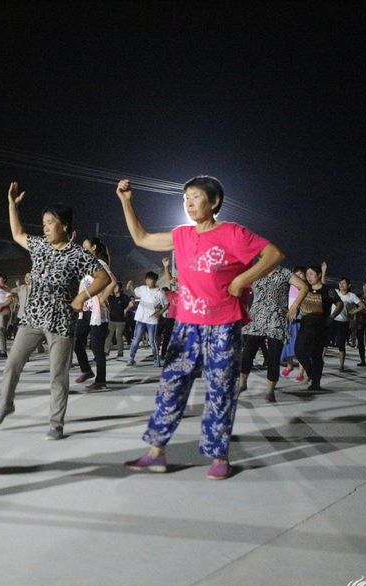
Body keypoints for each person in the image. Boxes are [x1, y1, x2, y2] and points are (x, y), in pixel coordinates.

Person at [117, 176, 283, 479]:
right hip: (186, 326)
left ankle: (219, 455)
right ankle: (156, 453)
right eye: (186, 199)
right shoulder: (181, 234)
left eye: (195, 197)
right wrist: (127, 202)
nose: (189, 204)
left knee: (220, 390)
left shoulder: (232, 233)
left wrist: (242, 279)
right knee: (171, 387)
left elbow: (273, 255)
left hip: (223, 324)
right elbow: (141, 238)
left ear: (215, 202)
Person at [0, 183, 108, 439]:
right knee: (12, 364)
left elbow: (103, 277)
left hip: (62, 322)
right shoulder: (40, 245)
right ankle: (5, 404)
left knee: (58, 375)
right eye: (43, 222)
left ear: (64, 225)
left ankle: (56, 424)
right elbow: (17, 233)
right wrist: (12, 205)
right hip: (31, 318)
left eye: (50, 222)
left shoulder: (78, 253)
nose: (44, 227)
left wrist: (82, 296)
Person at [239, 263, 308, 402]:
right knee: (247, 353)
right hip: (257, 319)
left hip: (277, 319)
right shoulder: (256, 271)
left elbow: (304, 287)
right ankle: (242, 384)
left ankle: (270, 392)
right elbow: (243, 287)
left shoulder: (285, 273)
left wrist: (295, 306)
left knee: (273, 357)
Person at [74, 237, 115, 390]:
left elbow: (113, 282)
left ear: (94, 247)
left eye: (86, 247)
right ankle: (86, 370)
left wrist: (103, 298)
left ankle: (101, 380)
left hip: (97, 312)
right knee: (76, 341)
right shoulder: (86, 266)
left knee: (97, 348)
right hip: (85, 310)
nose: (83, 250)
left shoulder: (100, 264)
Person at [293, 266, 343, 391]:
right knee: (299, 351)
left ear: (319, 275)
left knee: (315, 354)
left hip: (320, 327)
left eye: (311, 274)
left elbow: (339, 303)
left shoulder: (328, 290)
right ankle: (311, 373)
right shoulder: (305, 288)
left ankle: (316, 383)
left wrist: (332, 316)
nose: (309, 277)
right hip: (305, 325)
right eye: (307, 275)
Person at [126, 271, 167, 366]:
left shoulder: (159, 292)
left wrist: (160, 313)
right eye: (147, 280)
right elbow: (134, 291)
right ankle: (131, 358)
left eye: (151, 280)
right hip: (140, 318)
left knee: (152, 341)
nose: (148, 282)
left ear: (155, 281)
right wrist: (131, 283)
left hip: (152, 320)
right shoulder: (143, 289)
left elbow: (166, 304)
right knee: (136, 339)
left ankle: (156, 360)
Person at [332, 278, 359, 371]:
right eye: (340, 283)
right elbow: (323, 284)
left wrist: (353, 312)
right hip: (332, 320)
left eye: (344, 283)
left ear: (349, 285)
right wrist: (324, 272)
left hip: (343, 322)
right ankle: (320, 363)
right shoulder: (335, 292)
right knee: (324, 342)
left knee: (341, 344)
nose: (341, 285)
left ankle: (341, 365)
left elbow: (362, 305)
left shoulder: (352, 296)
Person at [104, 281, 130, 358]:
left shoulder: (124, 297)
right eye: (114, 287)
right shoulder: (111, 297)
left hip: (121, 320)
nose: (116, 288)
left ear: (121, 288)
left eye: (117, 287)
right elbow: (103, 299)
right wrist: (107, 308)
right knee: (109, 335)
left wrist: (126, 310)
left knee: (118, 336)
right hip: (112, 319)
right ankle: (106, 351)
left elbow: (131, 303)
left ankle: (120, 351)